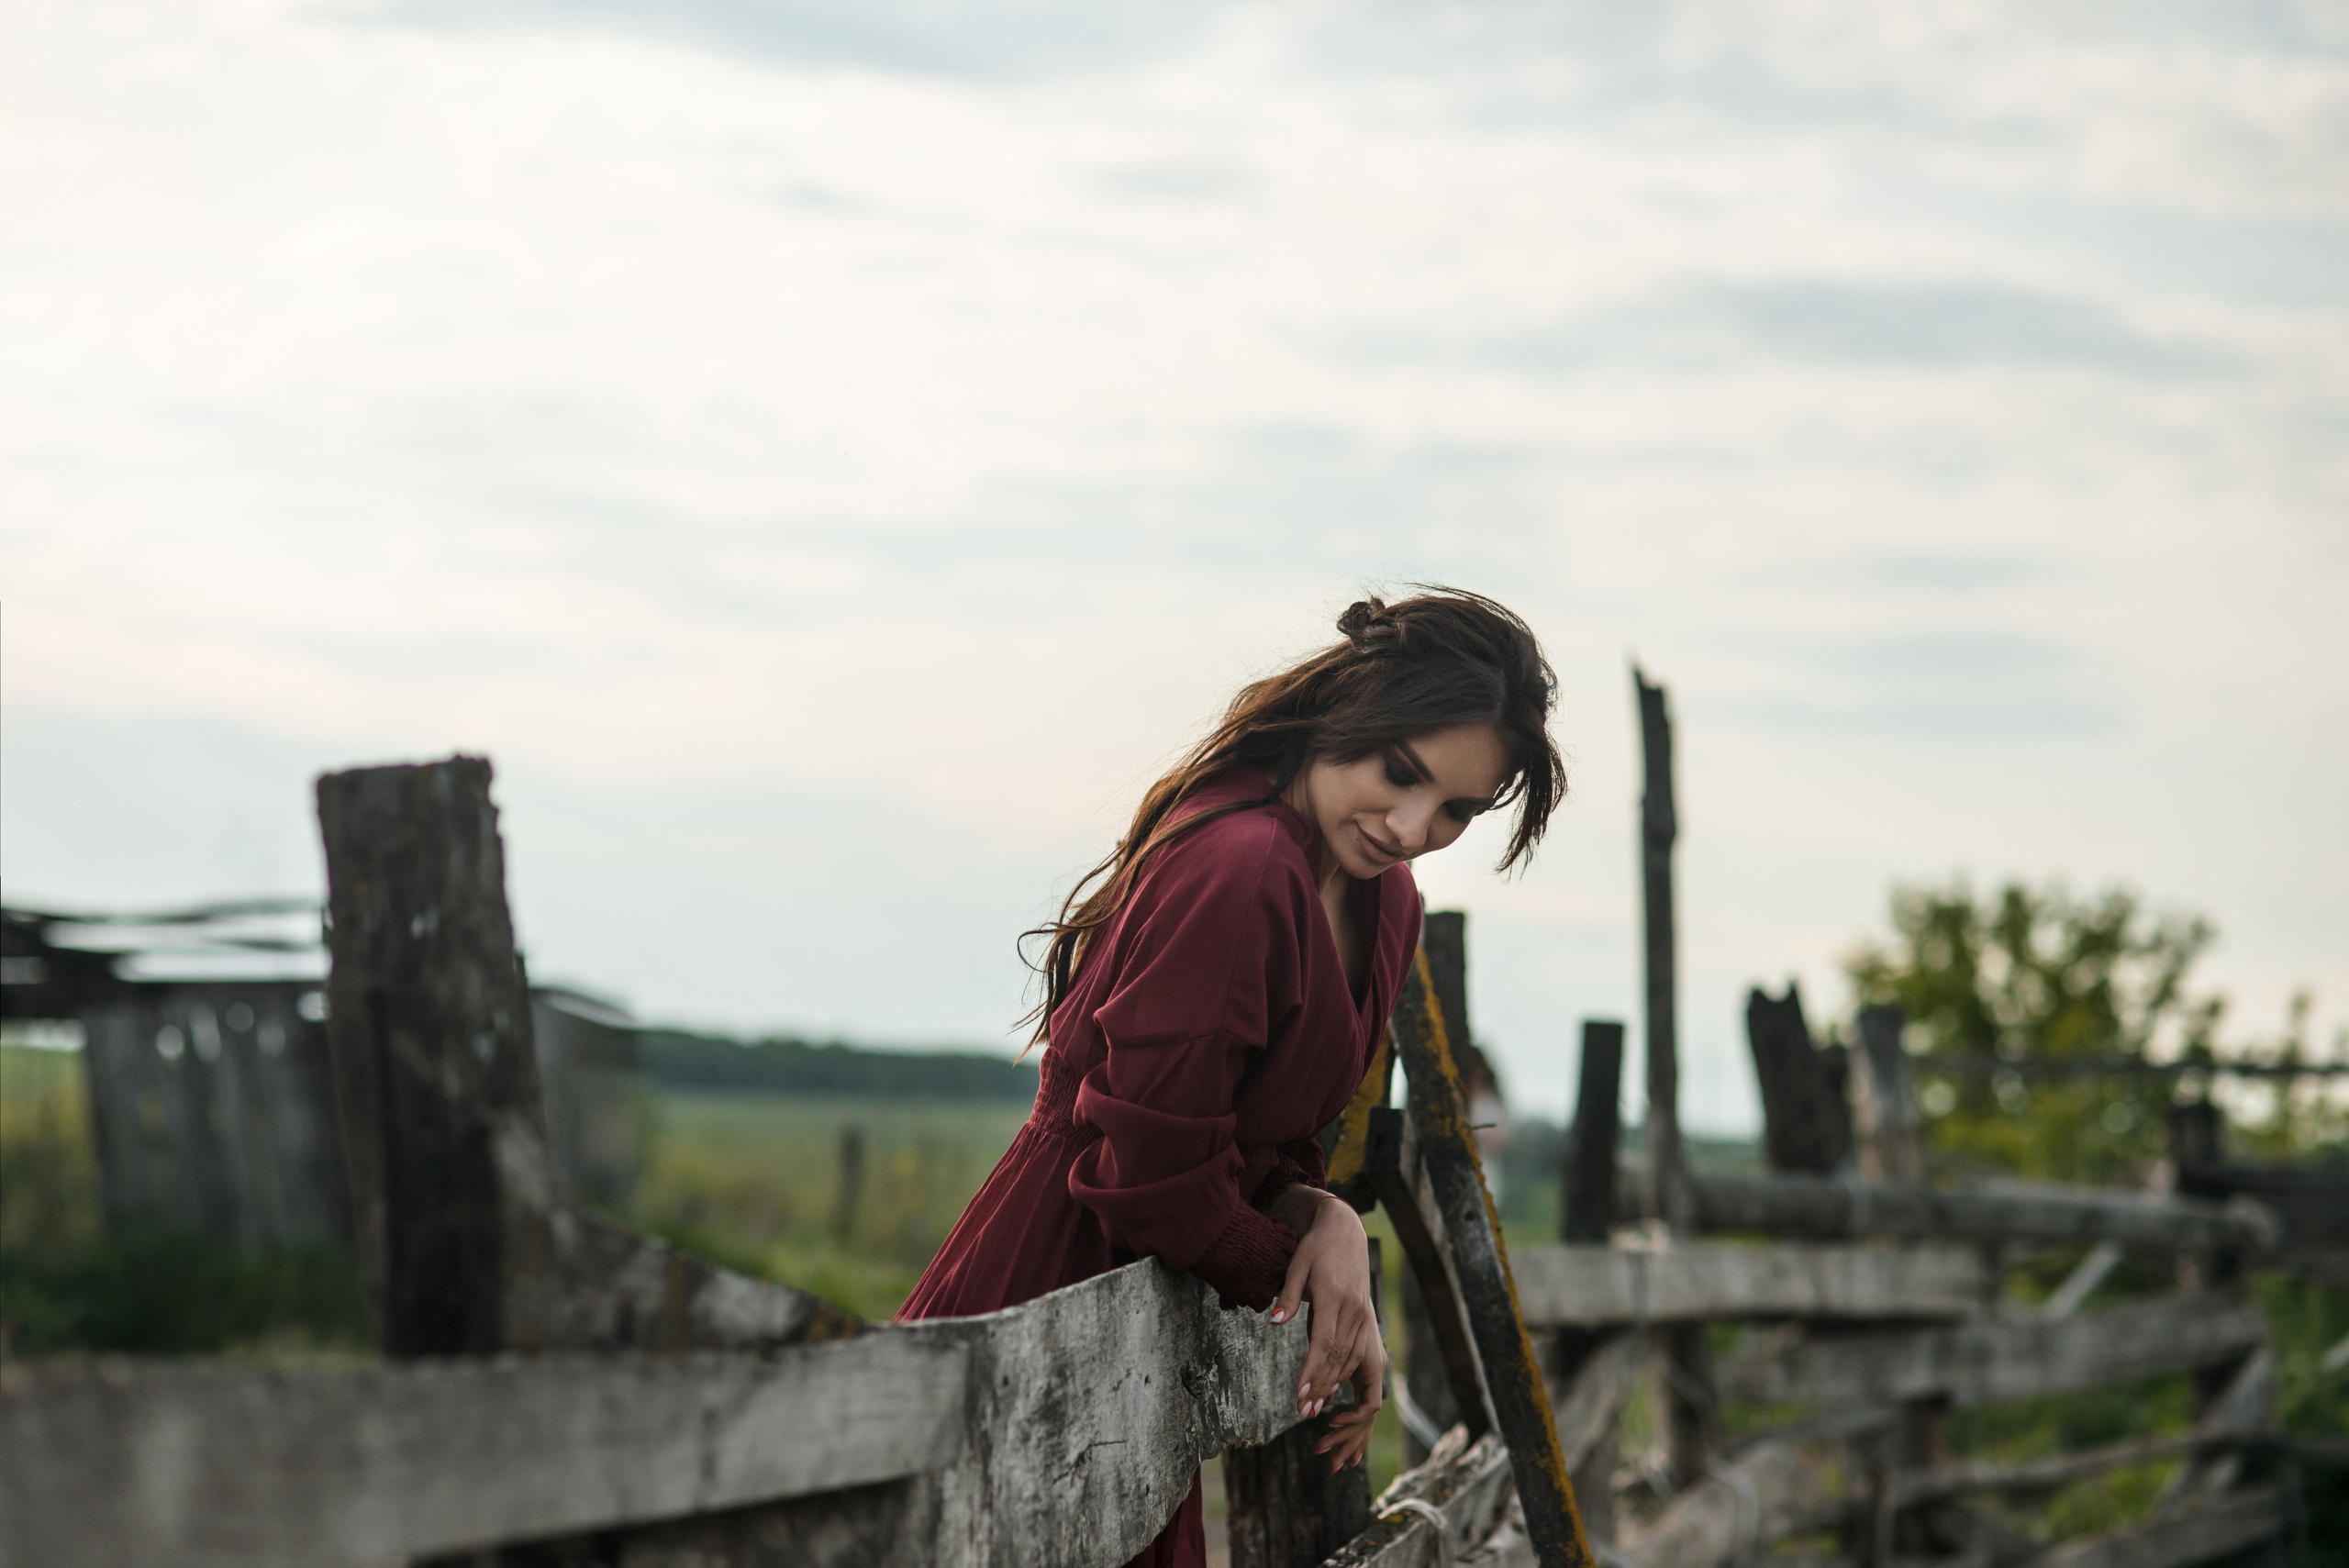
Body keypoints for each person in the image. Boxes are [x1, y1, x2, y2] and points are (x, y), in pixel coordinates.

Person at [897, 587, 1568, 1567]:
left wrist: (1322, 1220)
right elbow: (1152, 1177)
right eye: (1400, 771)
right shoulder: (1240, 863)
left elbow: (1258, 1144)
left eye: (1456, 808)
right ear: (1351, 709)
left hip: (1146, 1346)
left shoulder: (1387, 907)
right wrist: (1314, 1308)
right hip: (1051, 1290)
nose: (1411, 824)